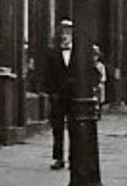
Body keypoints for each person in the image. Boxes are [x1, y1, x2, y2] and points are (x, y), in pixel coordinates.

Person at [43, 19, 75, 170]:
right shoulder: (52, 53)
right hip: (58, 97)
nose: (65, 36)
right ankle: (58, 158)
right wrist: (51, 92)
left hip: (75, 97)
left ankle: (74, 158)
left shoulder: (79, 53)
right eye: (62, 33)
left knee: (75, 128)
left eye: (68, 33)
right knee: (58, 129)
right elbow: (47, 74)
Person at [92, 45, 107, 112]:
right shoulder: (89, 65)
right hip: (92, 83)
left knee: (99, 96)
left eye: (96, 56)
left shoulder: (100, 65)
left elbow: (103, 75)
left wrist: (101, 82)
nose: (94, 58)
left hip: (99, 83)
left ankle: (99, 108)